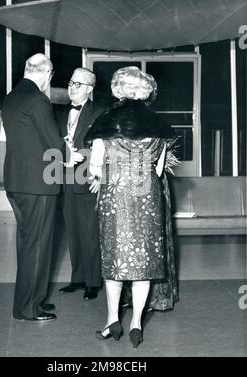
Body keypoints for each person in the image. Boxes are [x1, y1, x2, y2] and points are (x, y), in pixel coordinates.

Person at [85, 66, 178, 348]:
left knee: (115, 262)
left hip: (116, 198)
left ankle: (112, 320)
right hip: (148, 198)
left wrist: (98, 176)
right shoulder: (157, 125)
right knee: (145, 264)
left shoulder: (106, 121)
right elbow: (159, 169)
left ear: (118, 89)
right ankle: (137, 323)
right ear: (146, 90)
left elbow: (95, 167)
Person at [2, 53, 63, 321]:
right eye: (51, 76)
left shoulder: (11, 97)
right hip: (37, 184)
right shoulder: (38, 99)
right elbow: (53, 143)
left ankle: (32, 300)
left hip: (16, 181)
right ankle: (28, 308)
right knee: (37, 246)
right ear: (47, 73)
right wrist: (76, 152)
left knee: (27, 243)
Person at [57, 68, 103, 300]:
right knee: (73, 231)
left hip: (89, 179)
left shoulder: (100, 112)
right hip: (64, 179)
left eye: (78, 84)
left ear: (90, 89)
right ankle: (78, 279)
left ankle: (94, 281)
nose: (72, 87)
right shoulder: (59, 114)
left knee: (91, 232)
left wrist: (101, 174)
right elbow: (54, 143)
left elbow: (107, 147)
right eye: (71, 82)